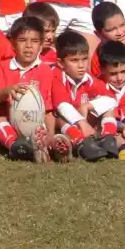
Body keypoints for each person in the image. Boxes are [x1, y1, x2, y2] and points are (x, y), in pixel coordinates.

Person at [0, 17, 55, 162]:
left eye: (34, 41)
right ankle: (16, 146)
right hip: (9, 123)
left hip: (35, 123)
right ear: (12, 43)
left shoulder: (45, 71)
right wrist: (7, 91)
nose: (28, 46)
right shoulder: (2, 67)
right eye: (22, 40)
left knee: (41, 129)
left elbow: (48, 109)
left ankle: (46, 146)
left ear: (41, 45)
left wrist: (50, 134)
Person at [51, 31, 117, 162]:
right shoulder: (56, 76)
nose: (81, 65)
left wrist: (88, 106)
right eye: (74, 60)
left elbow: (111, 99)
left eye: (84, 59)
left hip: (84, 120)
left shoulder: (88, 79)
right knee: (59, 116)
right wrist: (81, 122)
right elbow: (61, 105)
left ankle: (107, 139)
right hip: (63, 124)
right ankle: (81, 143)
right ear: (61, 63)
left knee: (109, 109)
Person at [22, 2, 60, 67]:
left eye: (53, 31)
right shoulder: (18, 55)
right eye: (46, 31)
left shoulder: (56, 56)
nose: (50, 37)